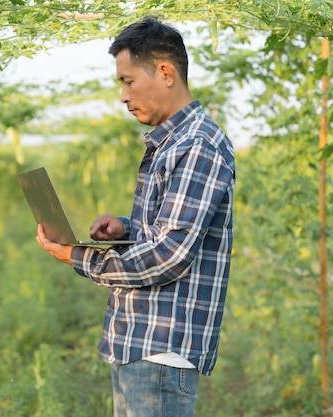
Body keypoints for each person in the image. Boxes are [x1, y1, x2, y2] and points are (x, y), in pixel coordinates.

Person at [36, 15, 235, 417]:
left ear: (165, 72)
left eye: (127, 81)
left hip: (160, 352)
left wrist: (77, 257)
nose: (124, 96)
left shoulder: (197, 145)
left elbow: (170, 254)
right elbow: (167, 229)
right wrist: (125, 228)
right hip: (138, 343)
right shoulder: (172, 143)